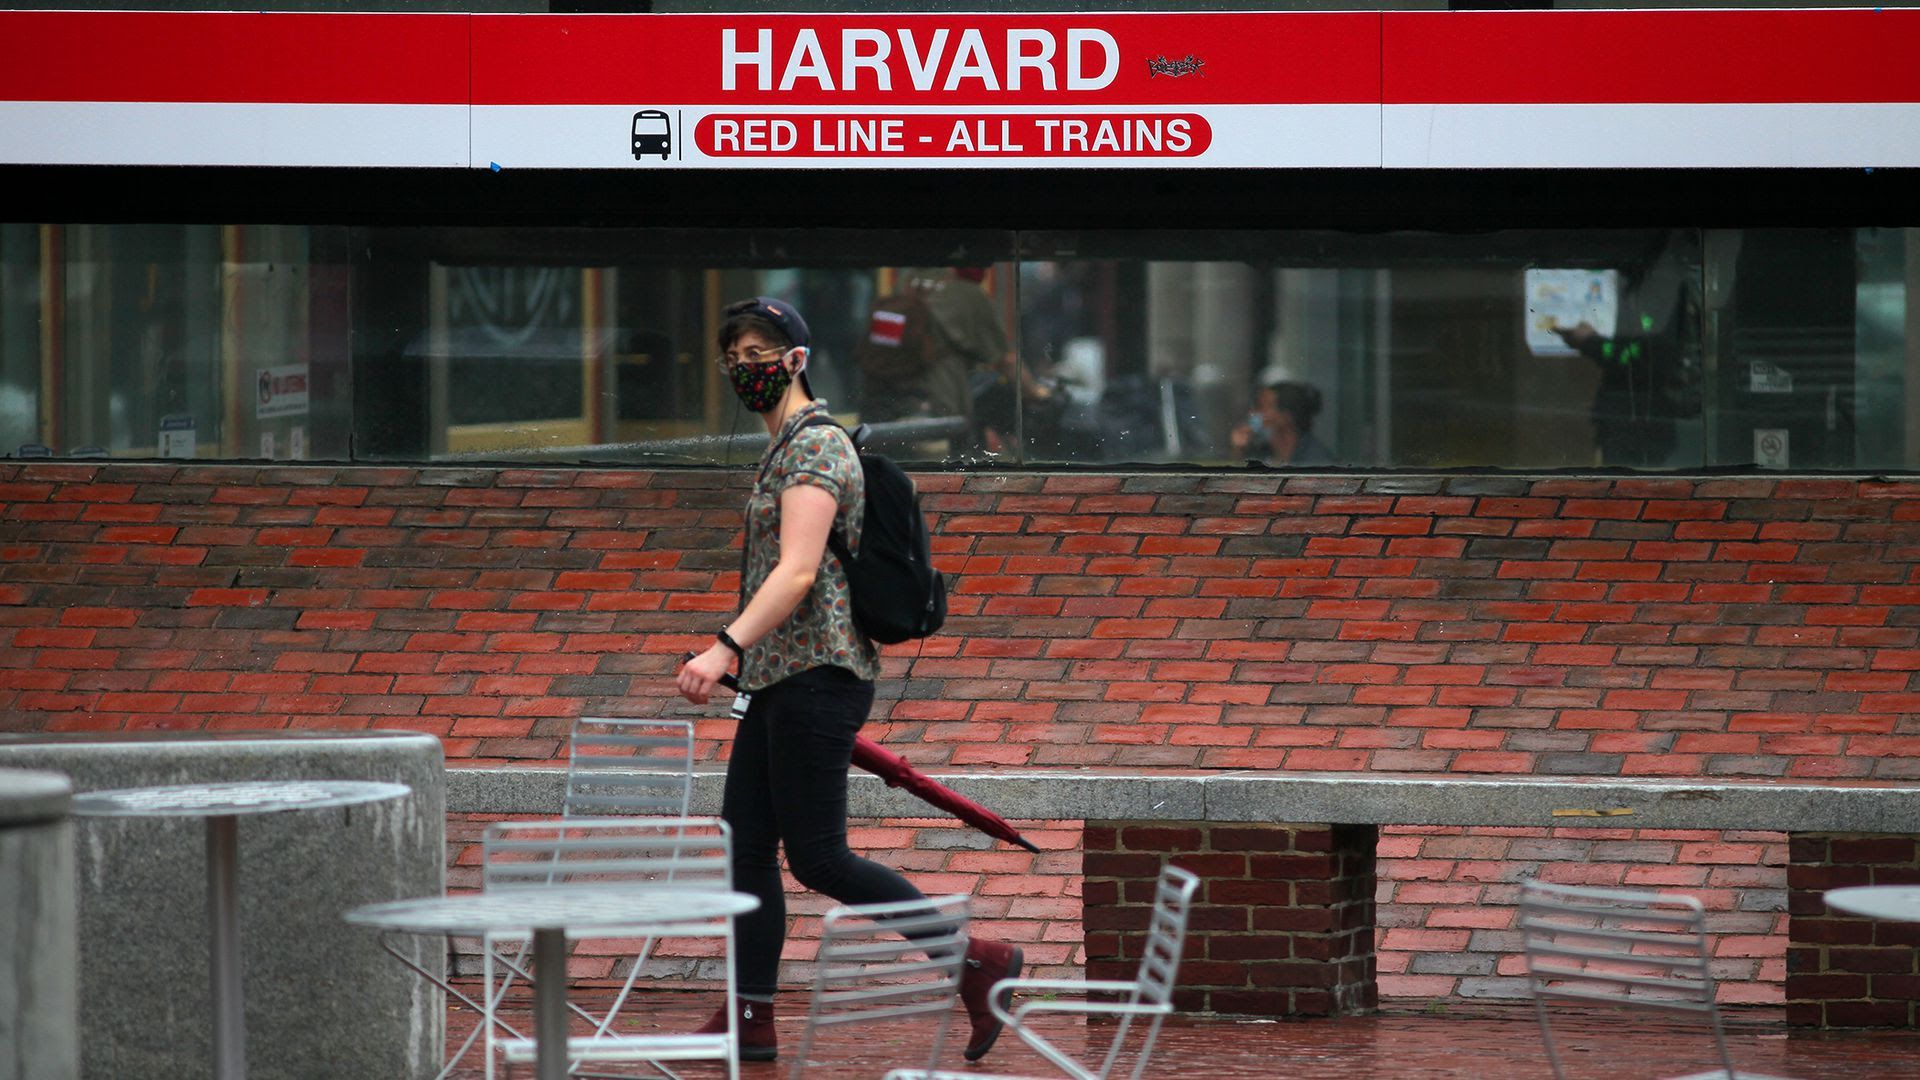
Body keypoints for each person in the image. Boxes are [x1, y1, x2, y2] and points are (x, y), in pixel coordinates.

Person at [676, 296, 1022, 1063]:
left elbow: (798, 570)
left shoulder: (815, 448)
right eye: (733, 355)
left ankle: (978, 959)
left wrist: (723, 647)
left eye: (760, 351)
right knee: (745, 853)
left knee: (820, 857)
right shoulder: (784, 447)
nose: (744, 367)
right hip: (780, 679)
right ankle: (749, 1017)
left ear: (797, 358)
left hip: (817, 676)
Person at [1229, 379, 1334, 465]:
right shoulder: (1262, 453)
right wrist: (1239, 451)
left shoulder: (1317, 461)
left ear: (1286, 417)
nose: (1252, 413)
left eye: (1261, 407)